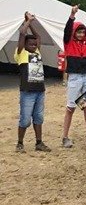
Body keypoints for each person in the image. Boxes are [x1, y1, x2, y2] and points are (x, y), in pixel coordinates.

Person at [61, 5, 86, 148]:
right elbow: (67, 30)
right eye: (78, 32)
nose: (81, 34)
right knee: (70, 107)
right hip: (75, 78)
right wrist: (72, 15)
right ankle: (65, 137)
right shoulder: (68, 42)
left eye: (83, 32)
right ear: (74, 32)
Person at [15, 13, 50, 152]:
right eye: (31, 44)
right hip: (27, 92)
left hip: (40, 91)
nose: (34, 45)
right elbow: (22, 33)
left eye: (35, 44)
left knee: (38, 118)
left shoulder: (37, 53)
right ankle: (20, 143)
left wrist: (31, 24)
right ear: (24, 45)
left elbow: (38, 37)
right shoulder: (21, 53)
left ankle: (39, 143)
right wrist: (28, 21)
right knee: (25, 119)